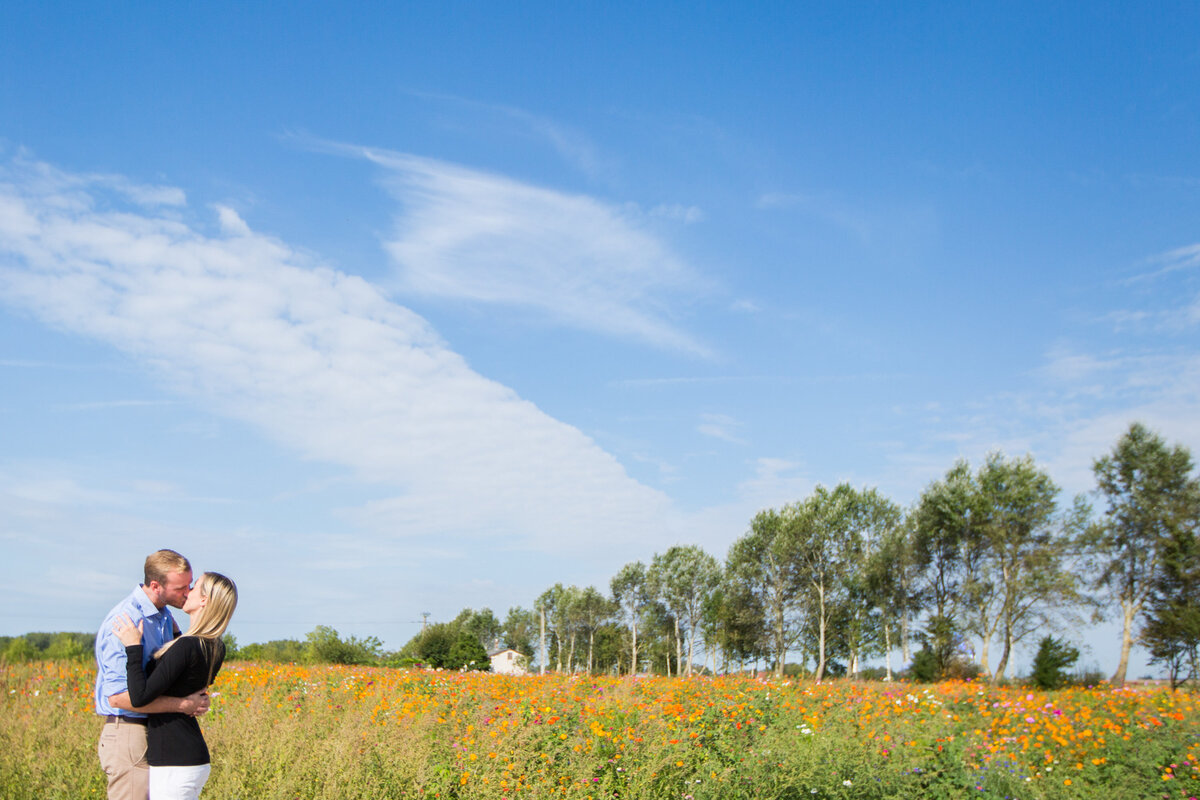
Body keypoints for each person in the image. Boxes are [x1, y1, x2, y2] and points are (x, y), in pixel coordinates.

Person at [96, 549, 211, 800]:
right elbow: (117, 697)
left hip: (157, 734)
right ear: (156, 586)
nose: (188, 592)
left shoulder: (164, 617)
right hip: (130, 732)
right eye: (181, 587)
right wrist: (183, 705)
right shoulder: (125, 621)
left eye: (190, 585)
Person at [114, 571, 238, 800]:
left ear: (204, 600)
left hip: (175, 762)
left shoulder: (187, 647)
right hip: (189, 758)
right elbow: (184, 675)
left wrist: (133, 648)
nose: (187, 591)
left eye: (195, 586)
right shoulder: (215, 647)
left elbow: (140, 697)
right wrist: (176, 634)